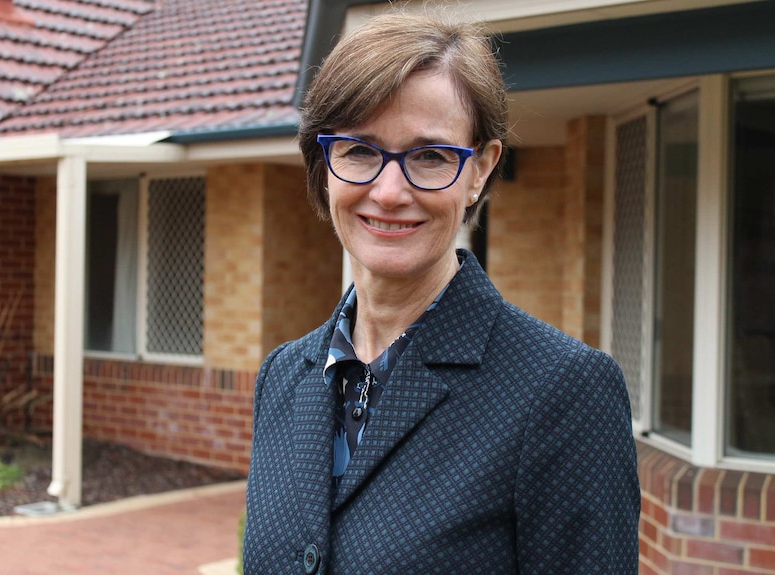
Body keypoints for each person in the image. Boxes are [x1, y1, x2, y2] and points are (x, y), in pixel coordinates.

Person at [243, 12, 640, 575]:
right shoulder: (283, 378)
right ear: (324, 162)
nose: (388, 191)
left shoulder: (562, 391)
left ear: (480, 168)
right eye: (359, 150)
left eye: (429, 156)